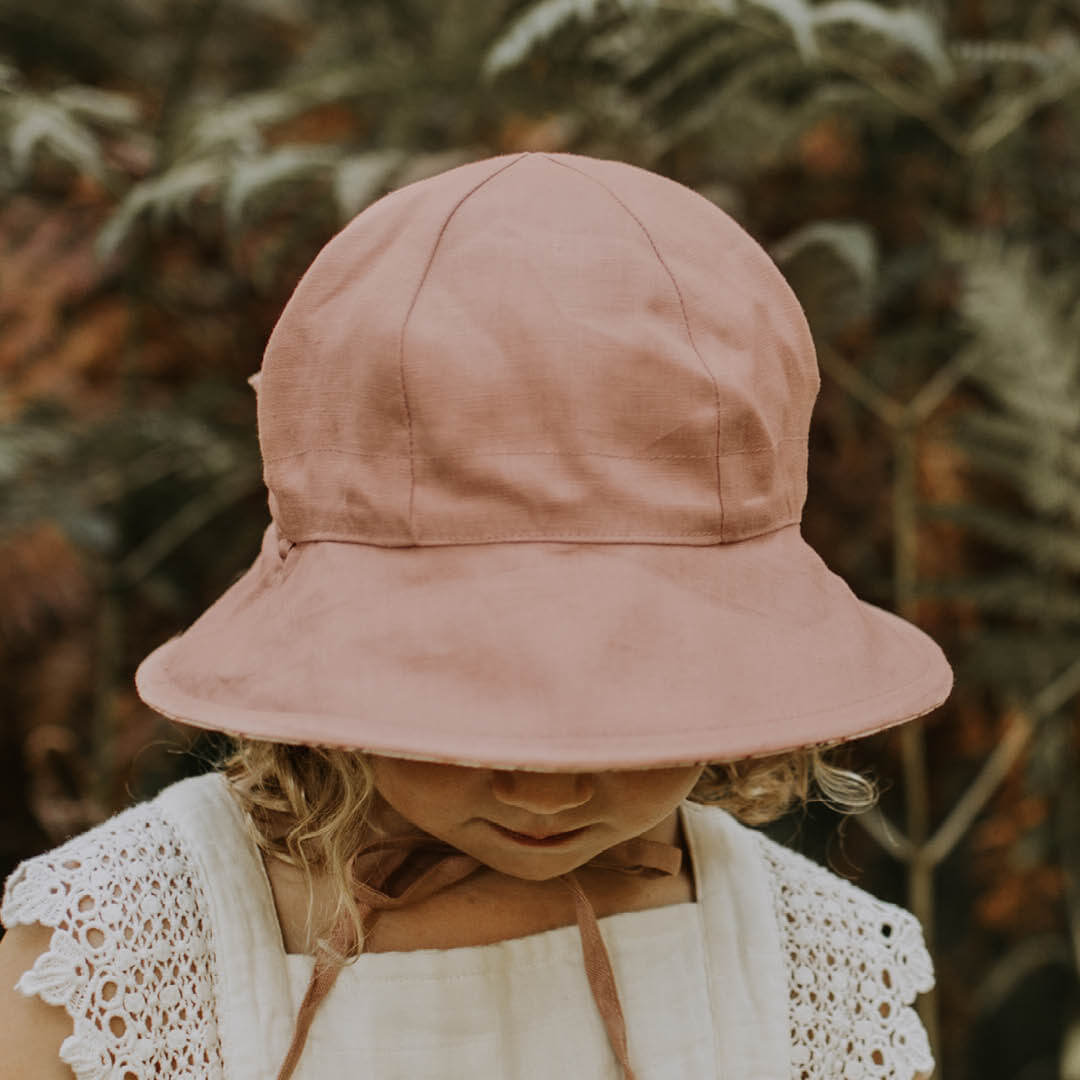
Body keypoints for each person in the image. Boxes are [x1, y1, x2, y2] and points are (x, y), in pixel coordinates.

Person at [0, 150, 952, 1079]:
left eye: (619, 696)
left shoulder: (815, 972)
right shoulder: (119, 955)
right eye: (471, 688)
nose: (544, 791)